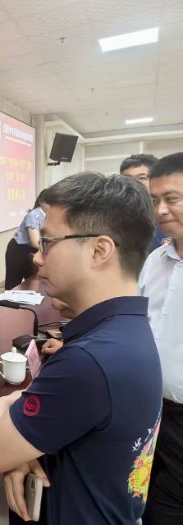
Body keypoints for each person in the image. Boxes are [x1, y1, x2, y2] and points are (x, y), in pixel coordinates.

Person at [0, 172, 162, 524]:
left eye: (47, 242)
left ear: (99, 250)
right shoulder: (128, 329)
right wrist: (23, 451)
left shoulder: (90, 361)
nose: (37, 258)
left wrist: (7, 401)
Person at [139, 153, 183, 524]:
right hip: (150, 408)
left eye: (172, 198)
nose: (161, 210)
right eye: (155, 200)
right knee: (145, 495)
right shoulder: (155, 260)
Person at [4, 190, 51, 290]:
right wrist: (52, 249)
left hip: (33, 251)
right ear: (42, 202)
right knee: (13, 284)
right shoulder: (34, 215)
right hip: (19, 250)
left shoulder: (49, 216)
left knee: (32, 283)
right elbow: (35, 242)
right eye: (50, 203)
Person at [120, 153, 167, 252]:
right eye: (127, 179)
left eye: (142, 178)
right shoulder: (115, 219)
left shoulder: (171, 215)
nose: (134, 183)